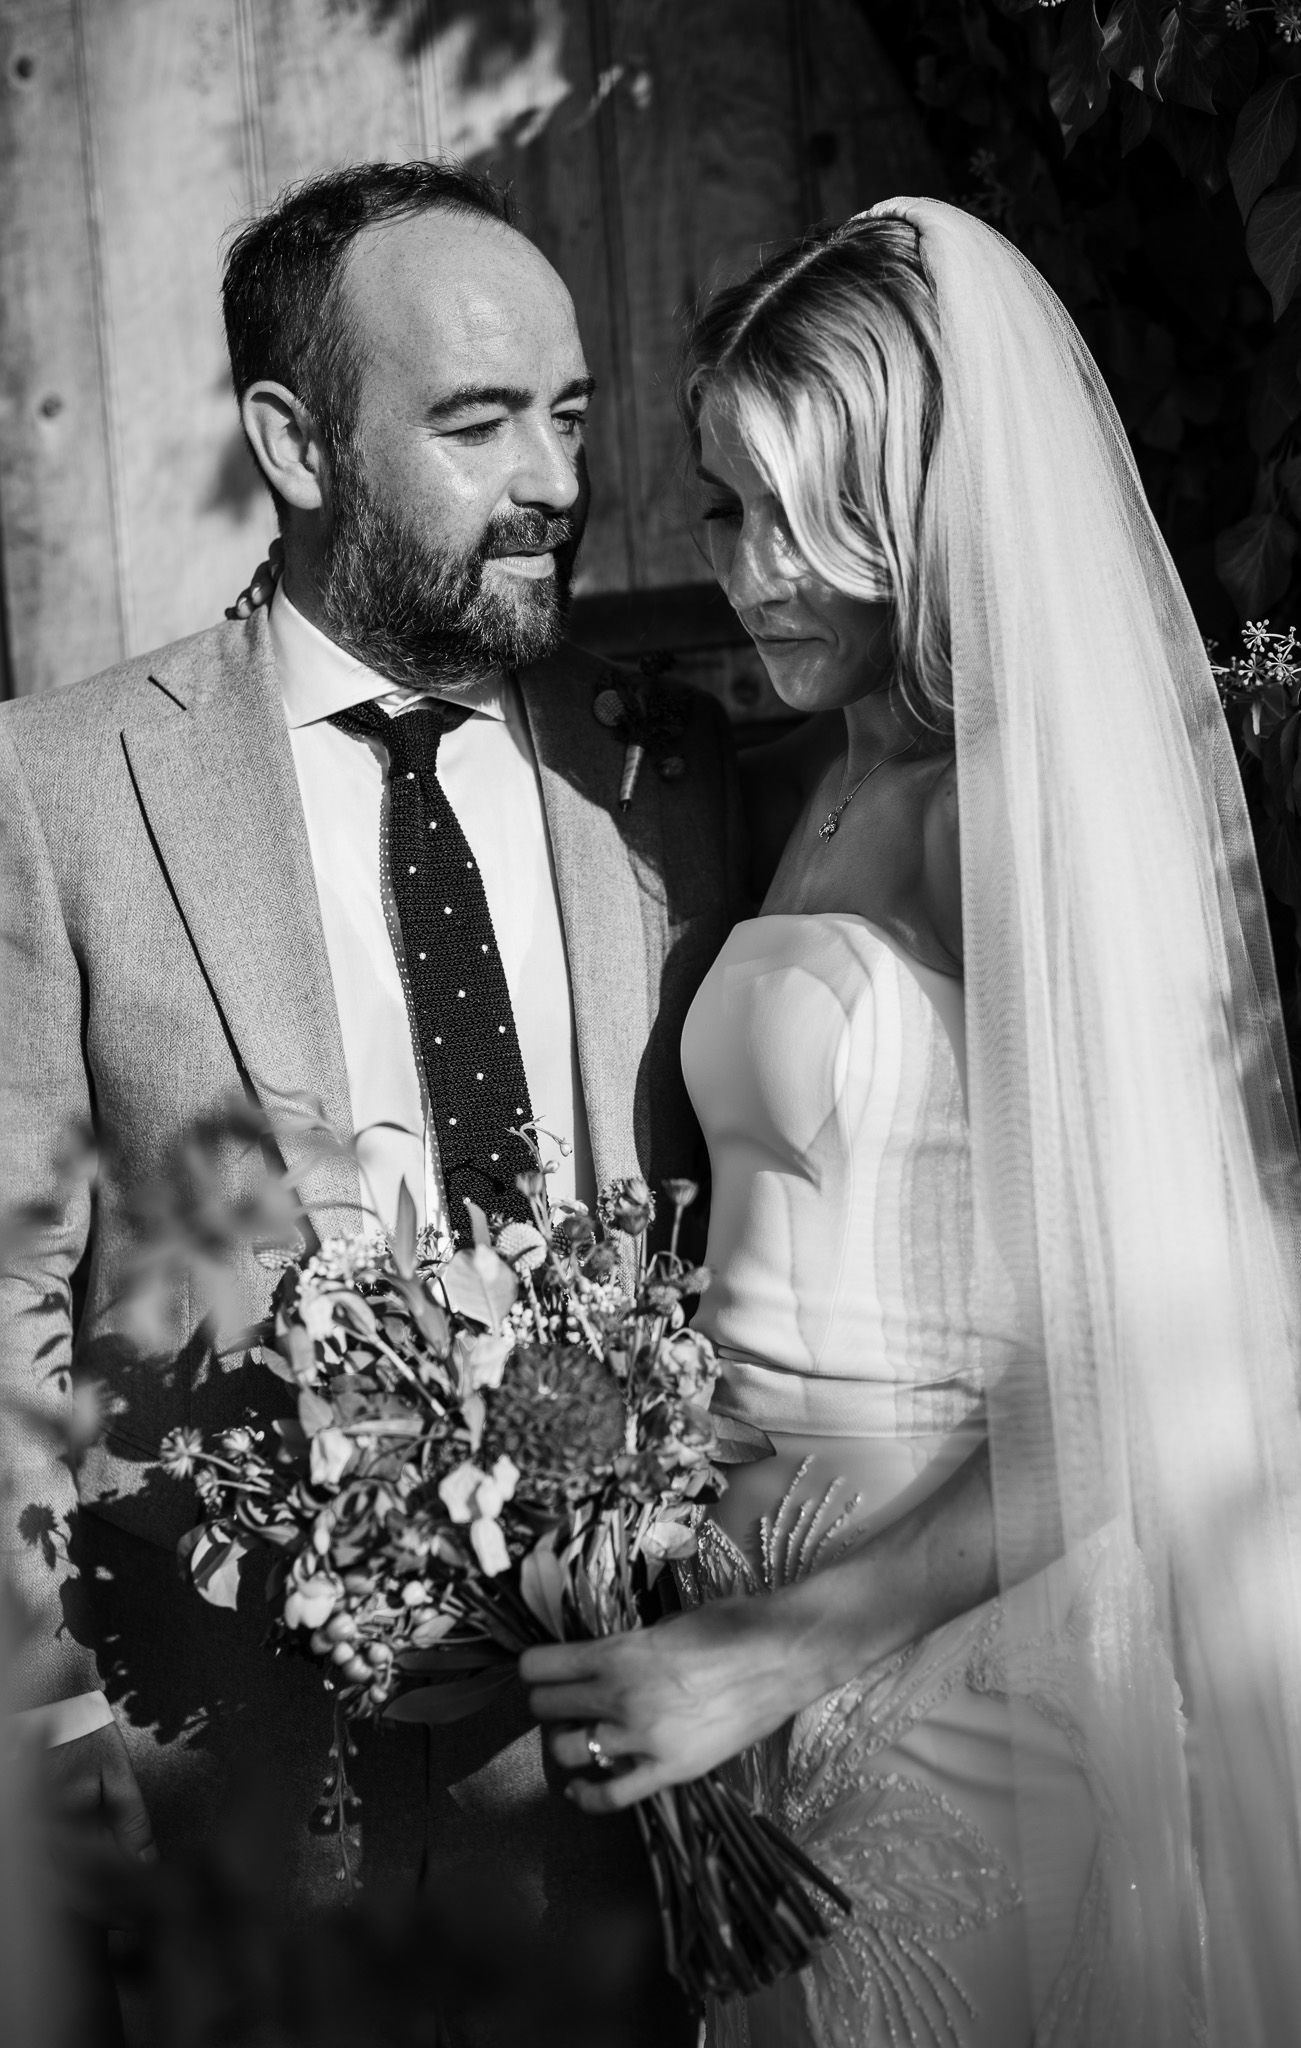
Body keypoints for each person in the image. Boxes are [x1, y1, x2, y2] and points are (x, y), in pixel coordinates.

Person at [0, 159, 745, 2044]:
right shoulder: (48, 787)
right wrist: (70, 1716)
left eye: (568, 415)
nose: (554, 478)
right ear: (296, 444)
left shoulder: (657, 784)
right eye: (477, 424)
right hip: (244, 1799)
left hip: (641, 1774)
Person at [521, 202, 1301, 2045]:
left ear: (928, 500)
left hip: (952, 1649)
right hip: (740, 1631)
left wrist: (786, 1645)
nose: (752, 571)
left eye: (806, 513)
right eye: (724, 505)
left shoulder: (1004, 814)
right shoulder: (801, 776)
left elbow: (1157, 1352)